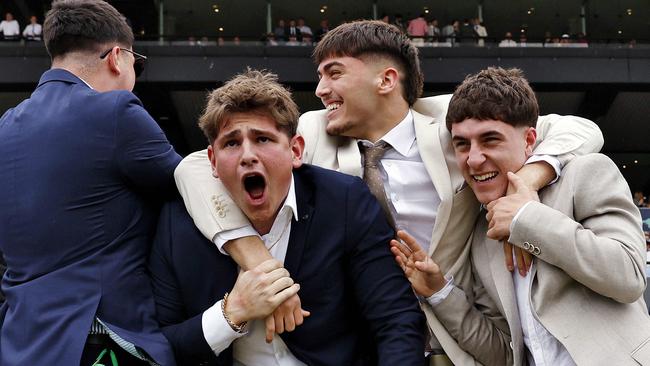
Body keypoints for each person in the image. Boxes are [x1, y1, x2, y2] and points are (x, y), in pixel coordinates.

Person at [174, 20, 603, 365]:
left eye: (333, 73)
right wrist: (259, 261)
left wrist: (527, 181)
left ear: (386, 79)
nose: (321, 89)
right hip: (368, 340)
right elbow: (195, 166)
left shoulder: (452, 126)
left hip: (467, 338)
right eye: (319, 76)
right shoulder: (307, 131)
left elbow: (581, 129)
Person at [149, 69, 425, 365]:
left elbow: (395, 319)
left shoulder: (343, 201)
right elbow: (160, 344)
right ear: (212, 162)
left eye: (263, 139)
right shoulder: (177, 224)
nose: (247, 155)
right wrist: (232, 312)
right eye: (231, 143)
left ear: (295, 151)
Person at [393, 67, 650, 366]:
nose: (474, 159)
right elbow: (503, 353)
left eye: (490, 140)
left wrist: (525, 220)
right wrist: (439, 293)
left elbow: (629, 276)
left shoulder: (586, 173)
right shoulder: (479, 231)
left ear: (529, 140)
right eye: (462, 144)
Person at [0, 0, 180, 365]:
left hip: (20, 344)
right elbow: (190, 191)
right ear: (117, 56)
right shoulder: (116, 110)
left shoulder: (4, 127)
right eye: (137, 64)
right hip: (103, 343)